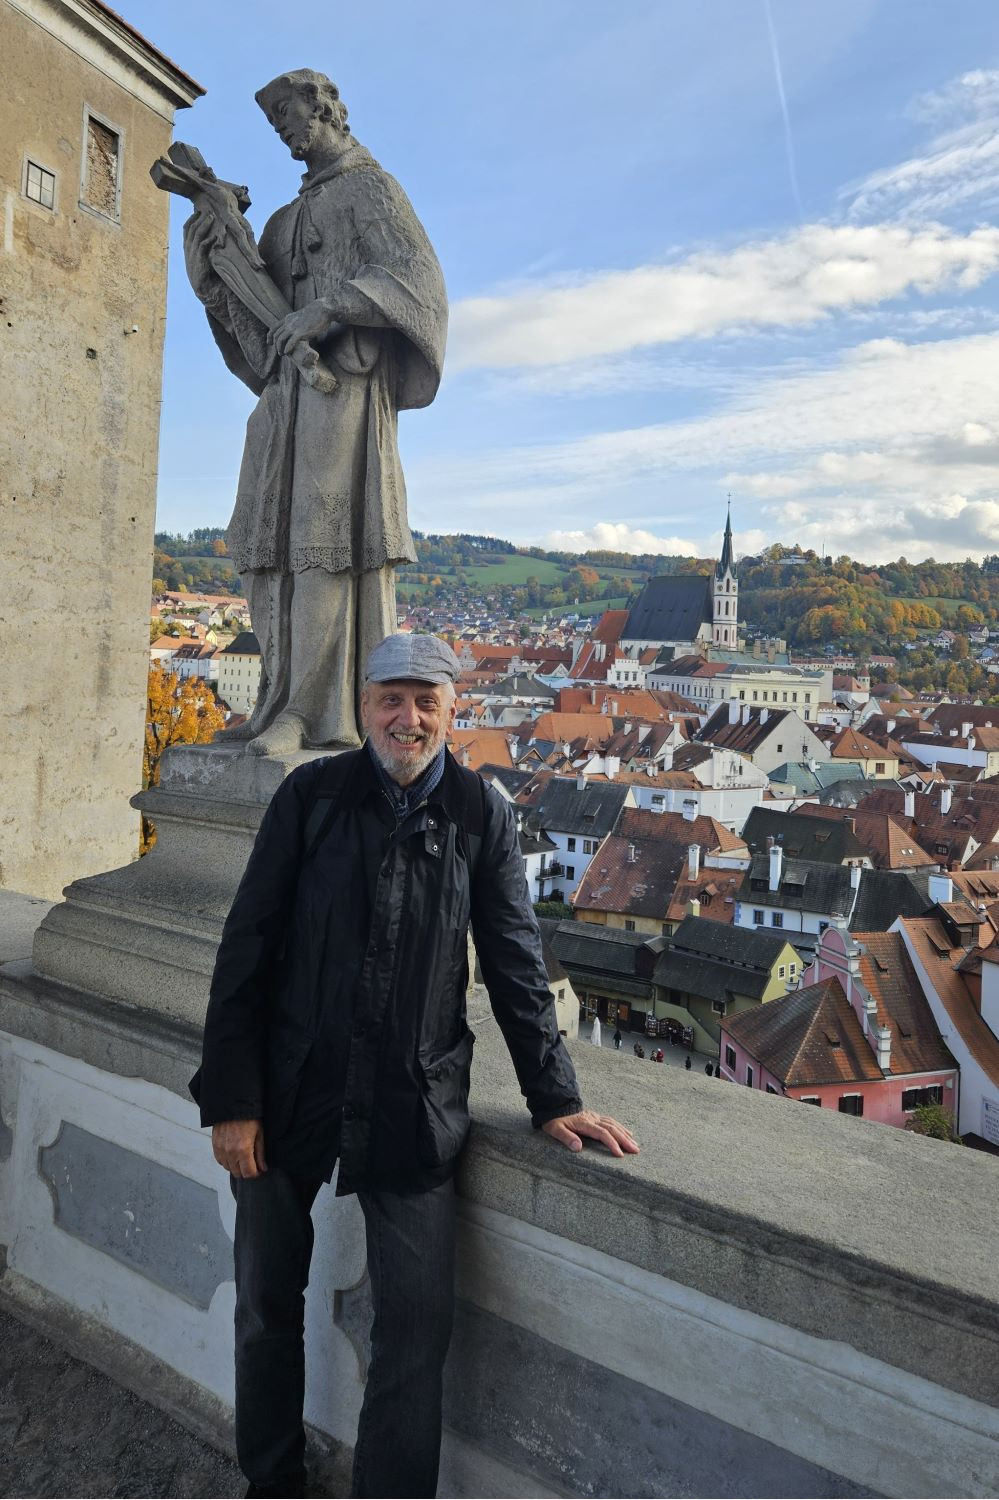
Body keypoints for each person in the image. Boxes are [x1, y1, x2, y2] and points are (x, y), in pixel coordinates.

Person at [192, 634, 638, 1499]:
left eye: (426, 701)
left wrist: (554, 1097)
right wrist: (232, 1099)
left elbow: (515, 961)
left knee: (416, 1330)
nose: (409, 718)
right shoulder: (312, 796)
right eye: (391, 699)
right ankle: (272, 1483)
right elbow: (245, 949)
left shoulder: (479, 812)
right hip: (286, 1087)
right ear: (364, 706)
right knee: (264, 1306)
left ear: (452, 710)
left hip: (412, 1099)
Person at [182, 71, 448, 755]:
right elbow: (259, 345)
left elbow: (418, 284)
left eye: (289, 114)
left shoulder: (372, 190)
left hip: (343, 394)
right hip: (284, 404)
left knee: (321, 548)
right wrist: (213, 277)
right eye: (274, 122)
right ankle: (275, 699)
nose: (283, 130)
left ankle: (312, 713)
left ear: (326, 108)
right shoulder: (280, 222)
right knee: (263, 548)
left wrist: (330, 307)